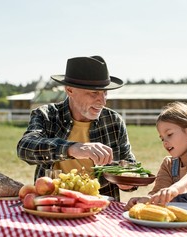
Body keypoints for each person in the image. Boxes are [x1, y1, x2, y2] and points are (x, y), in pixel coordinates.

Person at [17, 55, 136, 201]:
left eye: (105, 92)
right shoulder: (46, 115)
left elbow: (129, 164)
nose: (102, 101)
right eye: (94, 93)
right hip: (52, 203)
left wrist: (127, 181)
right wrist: (73, 148)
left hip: (99, 207)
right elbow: (25, 148)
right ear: (70, 90)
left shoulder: (114, 121)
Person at [125, 101, 187, 210]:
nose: (165, 142)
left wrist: (175, 189)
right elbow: (158, 194)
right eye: (162, 138)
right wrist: (144, 200)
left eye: (169, 134)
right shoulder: (169, 165)